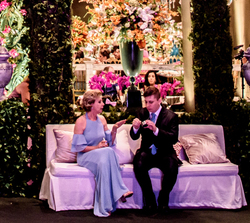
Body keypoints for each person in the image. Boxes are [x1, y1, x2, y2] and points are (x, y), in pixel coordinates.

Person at [73, 90, 132, 217]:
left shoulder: (102, 119)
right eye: (99, 102)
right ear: (91, 104)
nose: (103, 104)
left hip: (102, 155)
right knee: (107, 153)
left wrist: (114, 129)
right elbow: (79, 147)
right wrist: (96, 147)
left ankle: (105, 207)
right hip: (85, 155)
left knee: (105, 160)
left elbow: (110, 143)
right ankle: (120, 191)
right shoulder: (81, 121)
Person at [129, 85, 180, 213]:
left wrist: (156, 130)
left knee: (172, 165)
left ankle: (163, 198)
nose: (148, 105)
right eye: (146, 102)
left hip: (165, 152)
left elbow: (173, 138)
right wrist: (135, 128)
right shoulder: (142, 113)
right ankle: (149, 199)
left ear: (159, 100)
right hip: (147, 152)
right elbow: (134, 137)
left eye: (151, 102)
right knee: (138, 162)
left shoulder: (171, 116)